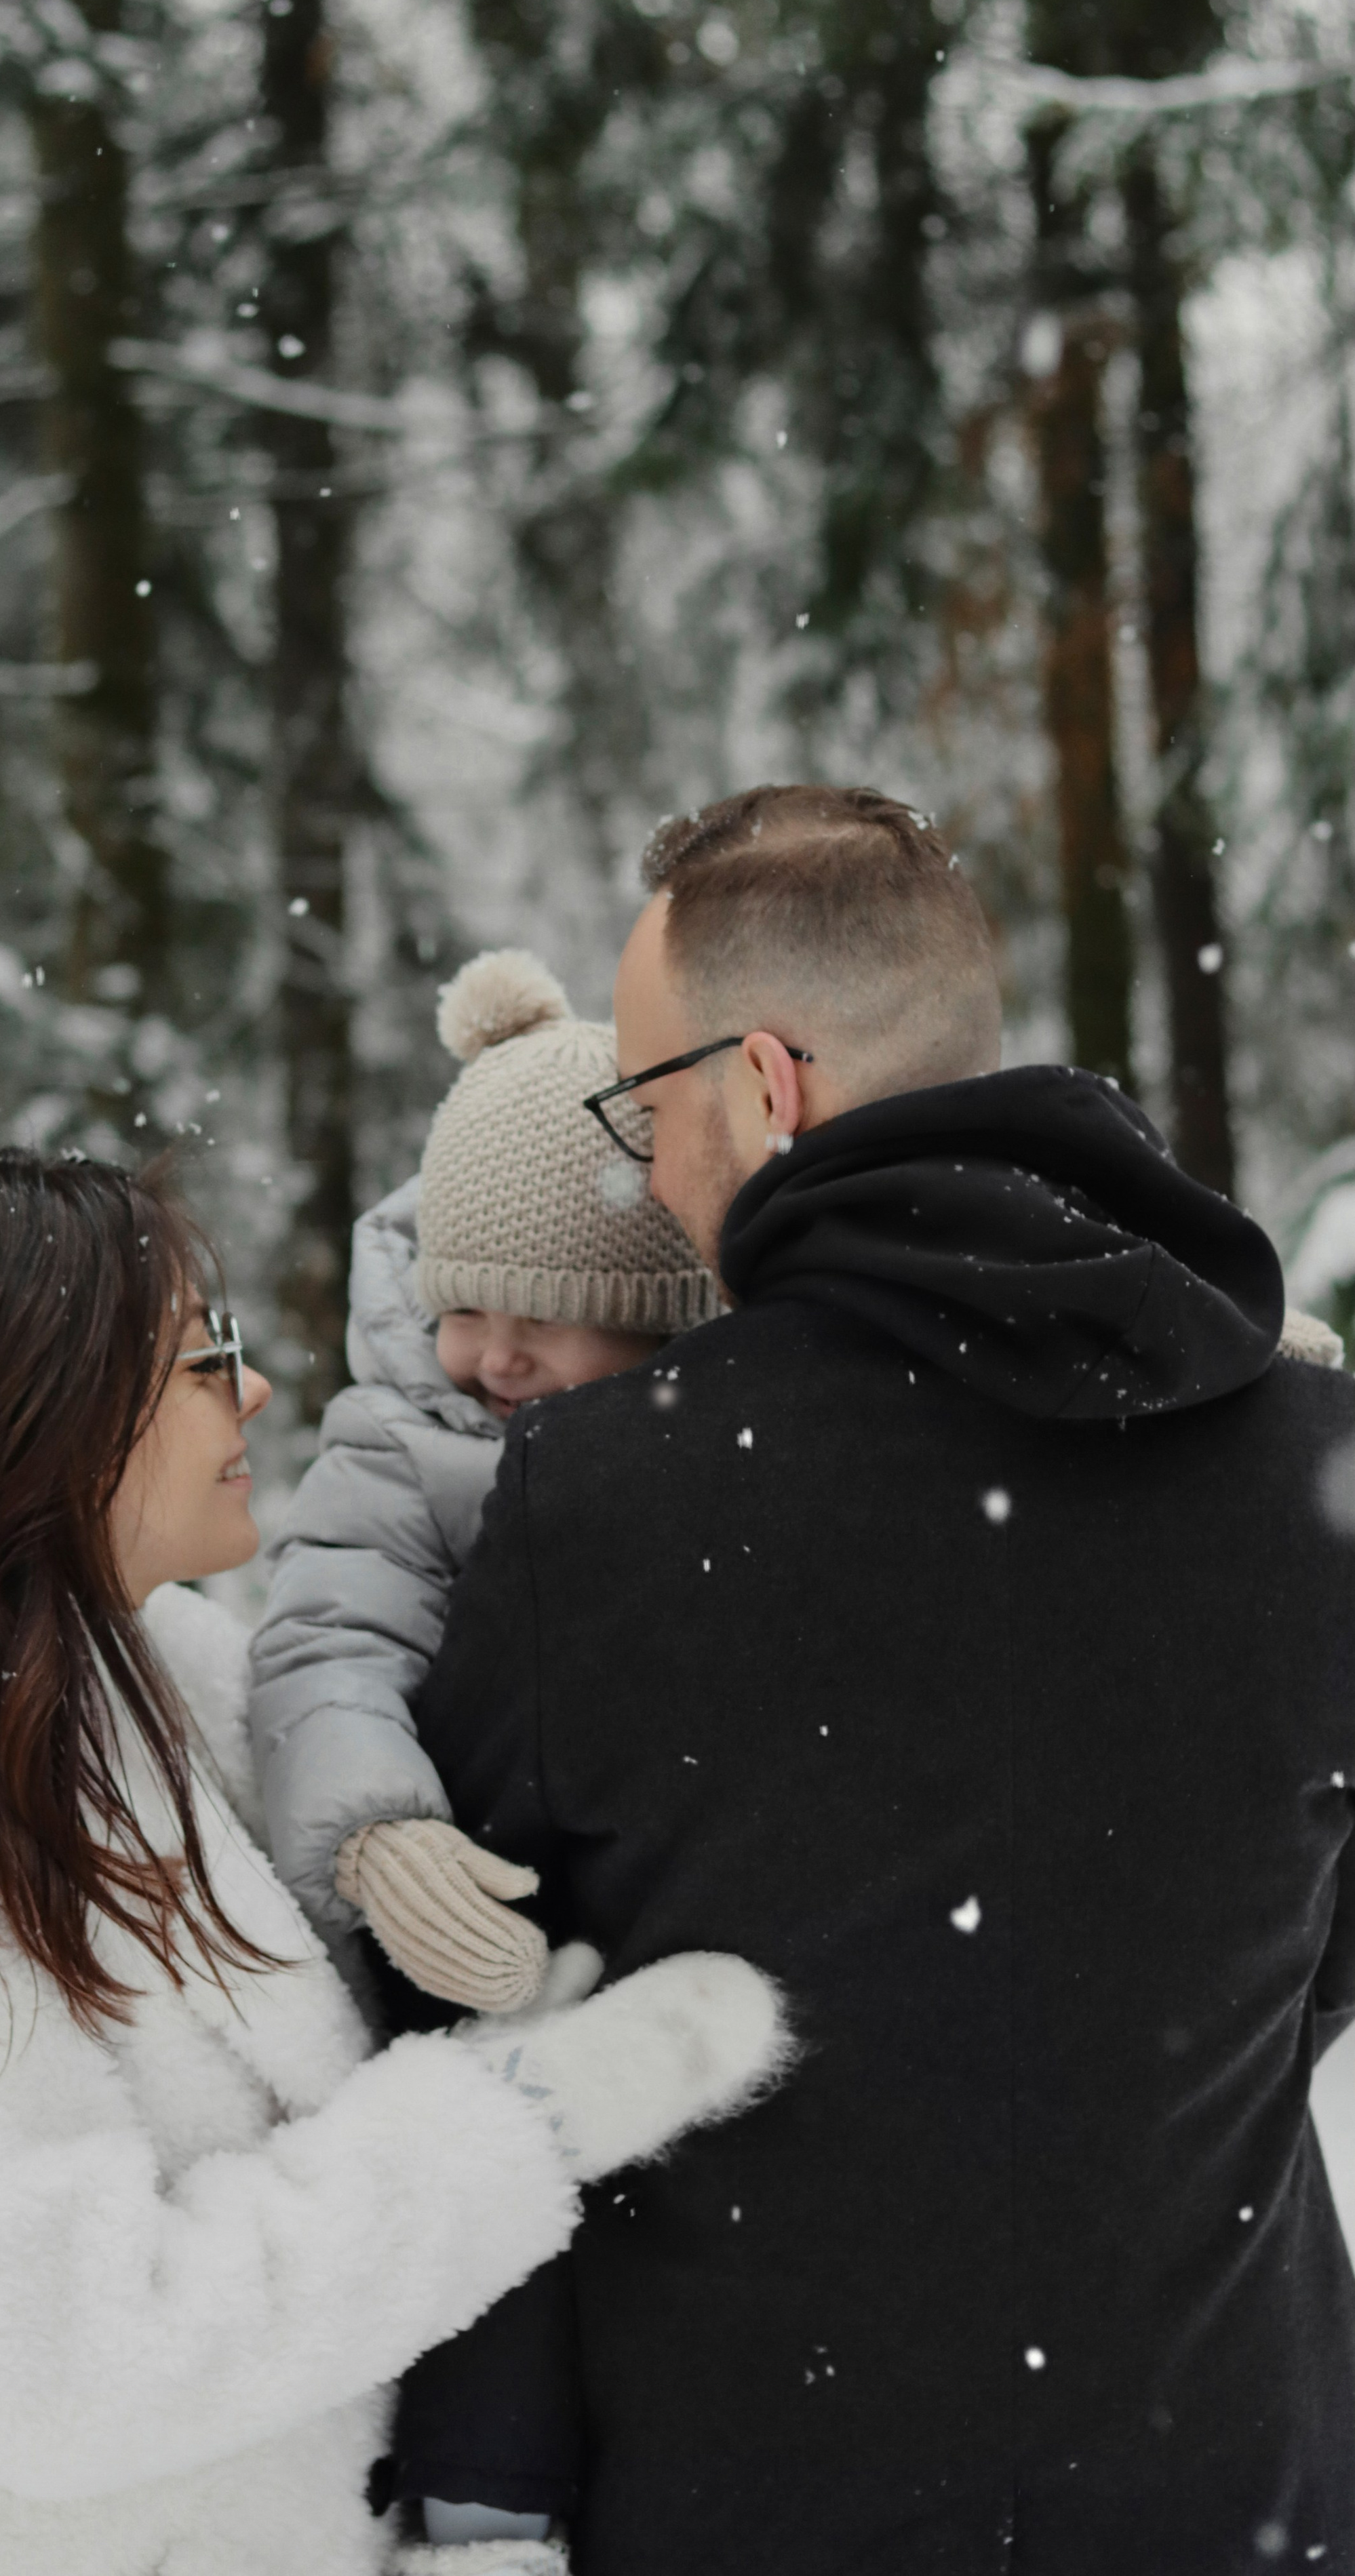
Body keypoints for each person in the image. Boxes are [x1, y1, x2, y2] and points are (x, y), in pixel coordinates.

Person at [412, 783, 1355, 2575]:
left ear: (765, 1086)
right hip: (1233, 2481)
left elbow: (482, 2019)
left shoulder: (606, 1502)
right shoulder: (1319, 1471)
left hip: (754, 2495)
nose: (646, 1171)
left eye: (645, 1107)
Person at [0, 1147, 788, 2576]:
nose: (251, 1393)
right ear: (37, 1416)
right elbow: (69, 2365)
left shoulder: (162, 1692)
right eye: (204, 1359)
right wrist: (525, 2118)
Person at [249, 946, 713, 2007]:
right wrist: (377, 1836)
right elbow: (329, 1639)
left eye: (545, 1320)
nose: (496, 1359)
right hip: (480, 1893)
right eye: (462, 1311)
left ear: (658, 1322)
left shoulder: (721, 1437)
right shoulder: (403, 1444)